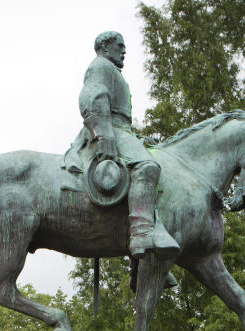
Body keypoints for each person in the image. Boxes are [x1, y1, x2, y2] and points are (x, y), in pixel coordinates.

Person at [72, 31, 180, 259]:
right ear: (104, 46)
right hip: (111, 128)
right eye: (119, 46)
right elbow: (92, 97)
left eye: (124, 47)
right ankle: (141, 233)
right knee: (147, 166)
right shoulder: (101, 66)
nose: (124, 51)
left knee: (156, 167)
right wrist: (104, 134)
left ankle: (145, 245)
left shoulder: (113, 71)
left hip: (122, 131)